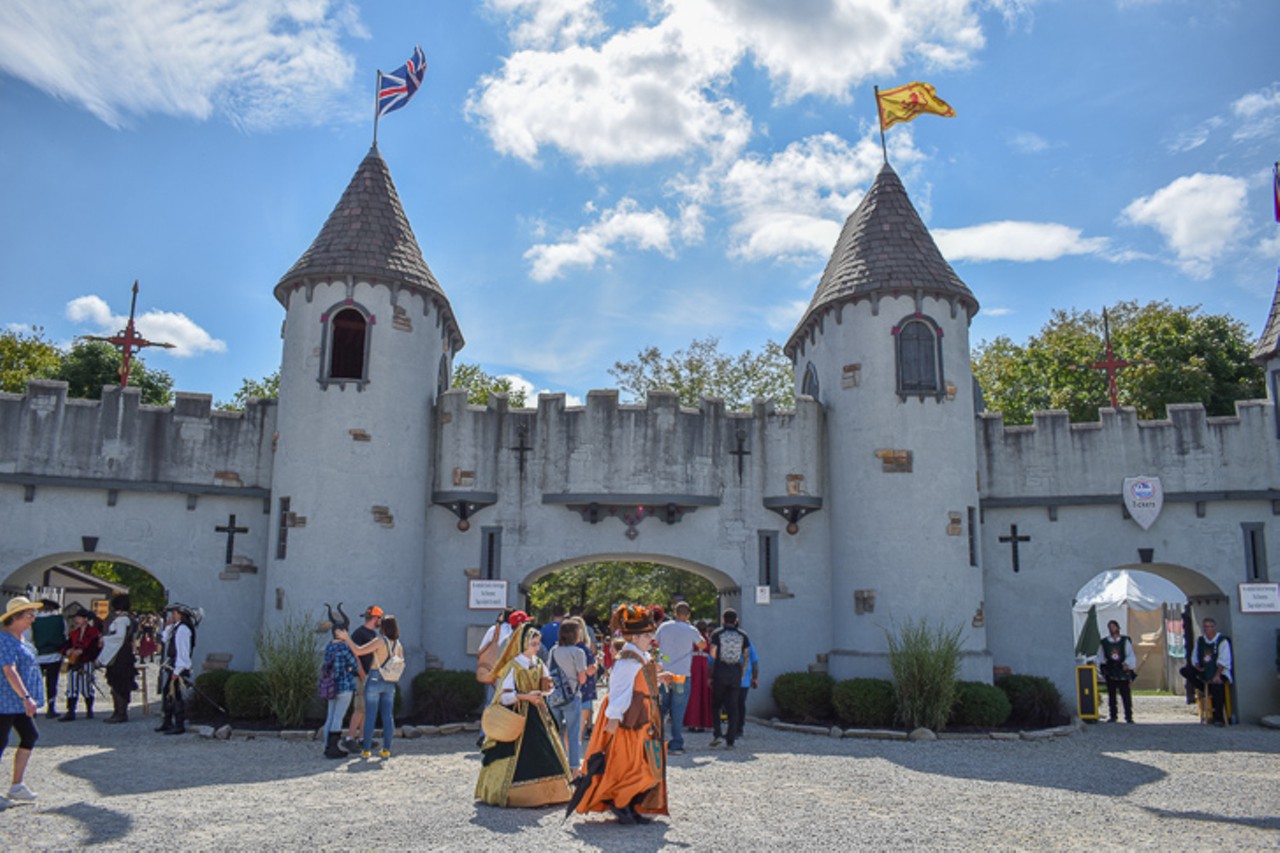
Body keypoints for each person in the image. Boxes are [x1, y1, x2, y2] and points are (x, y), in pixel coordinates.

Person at [574, 604, 670, 826]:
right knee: (631, 765)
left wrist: (658, 679)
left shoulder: (640, 656)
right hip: (630, 720)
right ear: (635, 637)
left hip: (642, 717)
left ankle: (631, 804)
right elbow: (619, 689)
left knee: (646, 763)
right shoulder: (628, 660)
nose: (651, 638)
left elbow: (639, 682)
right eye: (647, 635)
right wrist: (614, 718)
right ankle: (621, 802)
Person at [475, 622, 573, 807]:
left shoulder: (538, 663)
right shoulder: (514, 665)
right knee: (520, 752)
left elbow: (546, 687)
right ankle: (519, 794)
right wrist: (525, 696)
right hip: (518, 715)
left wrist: (547, 688)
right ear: (523, 644)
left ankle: (551, 794)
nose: (537, 648)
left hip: (538, 712)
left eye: (538, 643)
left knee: (545, 748)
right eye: (533, 644)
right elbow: (504, 696)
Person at [0, 596, 47, 805]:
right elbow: (10, 670)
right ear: (16, 617)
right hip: (5, 700)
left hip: (16, 701)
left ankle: (16, 785)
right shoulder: (5, 639)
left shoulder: (22, 640)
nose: (33, 618)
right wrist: (26, 696)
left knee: (30, 735)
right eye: (29, 614)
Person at [340, 614, 402, 758]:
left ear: (385, 628)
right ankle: (386, 750)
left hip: (375, 678)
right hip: (390, 680)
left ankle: (366, 750)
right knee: (388, 716)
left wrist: (347, 638)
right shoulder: (398, 645)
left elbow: (358, 651)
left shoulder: (380, 641)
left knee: (370, 715)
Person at [654, 601, 703, 754]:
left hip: (664, 674)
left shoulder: (664, 627)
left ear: (674, 612)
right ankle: (676, 742)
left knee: (661, 708)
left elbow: (654, 643)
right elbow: (702, 645)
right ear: (688, 614)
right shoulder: (691, 629)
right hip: (682, 676)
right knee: (678, 709)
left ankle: (656, 740)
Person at [549, 620, 590, 773]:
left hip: (554, 696)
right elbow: (582, 678)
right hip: (572, 696)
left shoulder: (554, 650)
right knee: (573, 733)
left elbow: (548, 672)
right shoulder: (578, 652)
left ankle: (554, 765)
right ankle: (574, 769)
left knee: (553, 732)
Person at [320, 606, 360, 759]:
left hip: (330, 686)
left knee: (330, 716)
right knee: (338, 717)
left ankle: (327, 746)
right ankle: (333, 747)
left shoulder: (329, 647)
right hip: (344, 685)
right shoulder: (344, 648)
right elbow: (354, 665)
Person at [708, 609, 750, 749]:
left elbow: (713, 653)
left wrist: (712, 671)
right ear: (736, 620)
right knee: (733, 706)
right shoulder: (743, 635)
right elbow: (746, 656)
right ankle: (731, 739)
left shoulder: (717, 634)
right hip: (735, 672)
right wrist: (742, 673)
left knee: (716, 705)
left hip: (721, 671)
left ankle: (717, 733)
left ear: (723, 620)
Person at [342, 605, 381, 751]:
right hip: (360, 677)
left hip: (369, 676)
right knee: (359, 708)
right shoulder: (360, 634)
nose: (380, 622)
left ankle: (363, 739)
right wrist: (363, 675)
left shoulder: (372, 635)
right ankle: (349, 739)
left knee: (365, 709)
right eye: (379, 619)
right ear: (375, 618)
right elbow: (355, 655)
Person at [1183, 617, 1233, 726]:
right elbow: (1195, 656)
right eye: (1205, 627)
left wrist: (1217, 675)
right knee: (1185, 671)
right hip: (1205, 671)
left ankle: (1218, 718)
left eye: (1209, 627)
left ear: (1214, 628)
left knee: (1218, 686)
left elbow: (1224, 661)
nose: (1207, 629)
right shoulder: (1201, 641)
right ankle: (1203, 686)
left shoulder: (1221, 641)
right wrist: (1197, 666)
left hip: (1220, 672)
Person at [156, 604, 196, 735]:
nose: (172, 616)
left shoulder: (183, 629)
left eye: (174, 613)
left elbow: (183, 651)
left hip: (179, 665)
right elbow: (165, 638)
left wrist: (177, 670)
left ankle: (179, 724)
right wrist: (168, 626)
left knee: (177, 695)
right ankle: (167, 722)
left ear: (181, 615)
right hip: (174, 664)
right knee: (168, 692)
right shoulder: (176, 627)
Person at [58, 603, 102, 721]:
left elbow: (95, 648)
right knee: (72, 685)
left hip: (86, 661)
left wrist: (83, 651)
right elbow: (66, 645)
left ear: (86, 619)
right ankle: (71, 710)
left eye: (79, 617)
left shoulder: (93, 633)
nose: (77, 619)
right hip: (74, 662)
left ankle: (89, 709)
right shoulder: (74, 633)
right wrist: (67, 650)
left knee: (85, 685)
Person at [99, 594, 136, 724]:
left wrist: (105, 639)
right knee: (119, 682)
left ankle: (120, 712)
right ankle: (119, 711)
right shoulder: (128, 618)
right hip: (124, 653)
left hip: (120, 654)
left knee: (118, 682)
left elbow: (119, 637)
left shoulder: (121, 620)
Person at [1095, 619, 1136, 724]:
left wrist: (1127, 664)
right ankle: (1113, 716)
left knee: (1126, 695)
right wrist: (1103, 667)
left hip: (1122, 670)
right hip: (1111, 671)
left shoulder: (1124, 641)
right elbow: (1101, 656)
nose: (1112, 629)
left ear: (1117, 627)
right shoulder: (1104, 642)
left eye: (1113, 626)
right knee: (1112, 695)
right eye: (1110, 627)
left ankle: (1129, 716)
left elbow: (1130, 654)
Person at [30, 600, 65, 720]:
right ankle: (51, 708)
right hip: (54, 655)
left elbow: (30, 638)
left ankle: (33, 708)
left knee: (35, 683)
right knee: (52, 683)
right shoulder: (59, 620)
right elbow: (64, 636)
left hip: (38, 655)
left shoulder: (33, 621)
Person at [565, 615, 598, 740]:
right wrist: (596, 664)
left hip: (568, 691)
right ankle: (574, 757)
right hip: (583, 691)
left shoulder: (562, 648)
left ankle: (567, 756)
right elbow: (589, 671)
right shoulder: (583, 649)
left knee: (569, 729)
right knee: (578, 731)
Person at [683, 619, 714, 732]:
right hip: (705, 666)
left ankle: (692, 722)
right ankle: (702, 723)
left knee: (693, 694)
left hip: (694, 665)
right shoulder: (708, 640)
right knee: (704, 693)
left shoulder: (692, 639)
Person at [734, 630, 760, 741]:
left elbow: (754, 661)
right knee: (740, 703)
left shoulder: (728, 642)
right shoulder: (748, 643)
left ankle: (736, 727)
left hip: (732, 677)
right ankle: (739, 728)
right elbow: (755, 661)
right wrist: (754, 678)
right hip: (744, 677)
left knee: (733, 703)